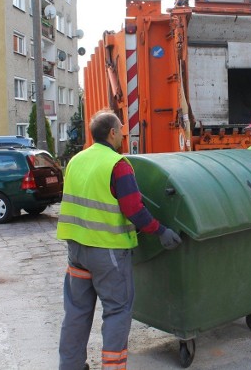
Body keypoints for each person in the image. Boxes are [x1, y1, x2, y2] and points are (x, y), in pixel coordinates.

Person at [57, 109, 182, 370]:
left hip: (76, 252)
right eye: (121, 130)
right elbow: (134, 209)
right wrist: (161, 231)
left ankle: (70, 366)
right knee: (117, 311)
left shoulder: (75, 161)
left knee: (76, 312)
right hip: (108, 254)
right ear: (112, 133)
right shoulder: (118, 164)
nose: (123, 135)